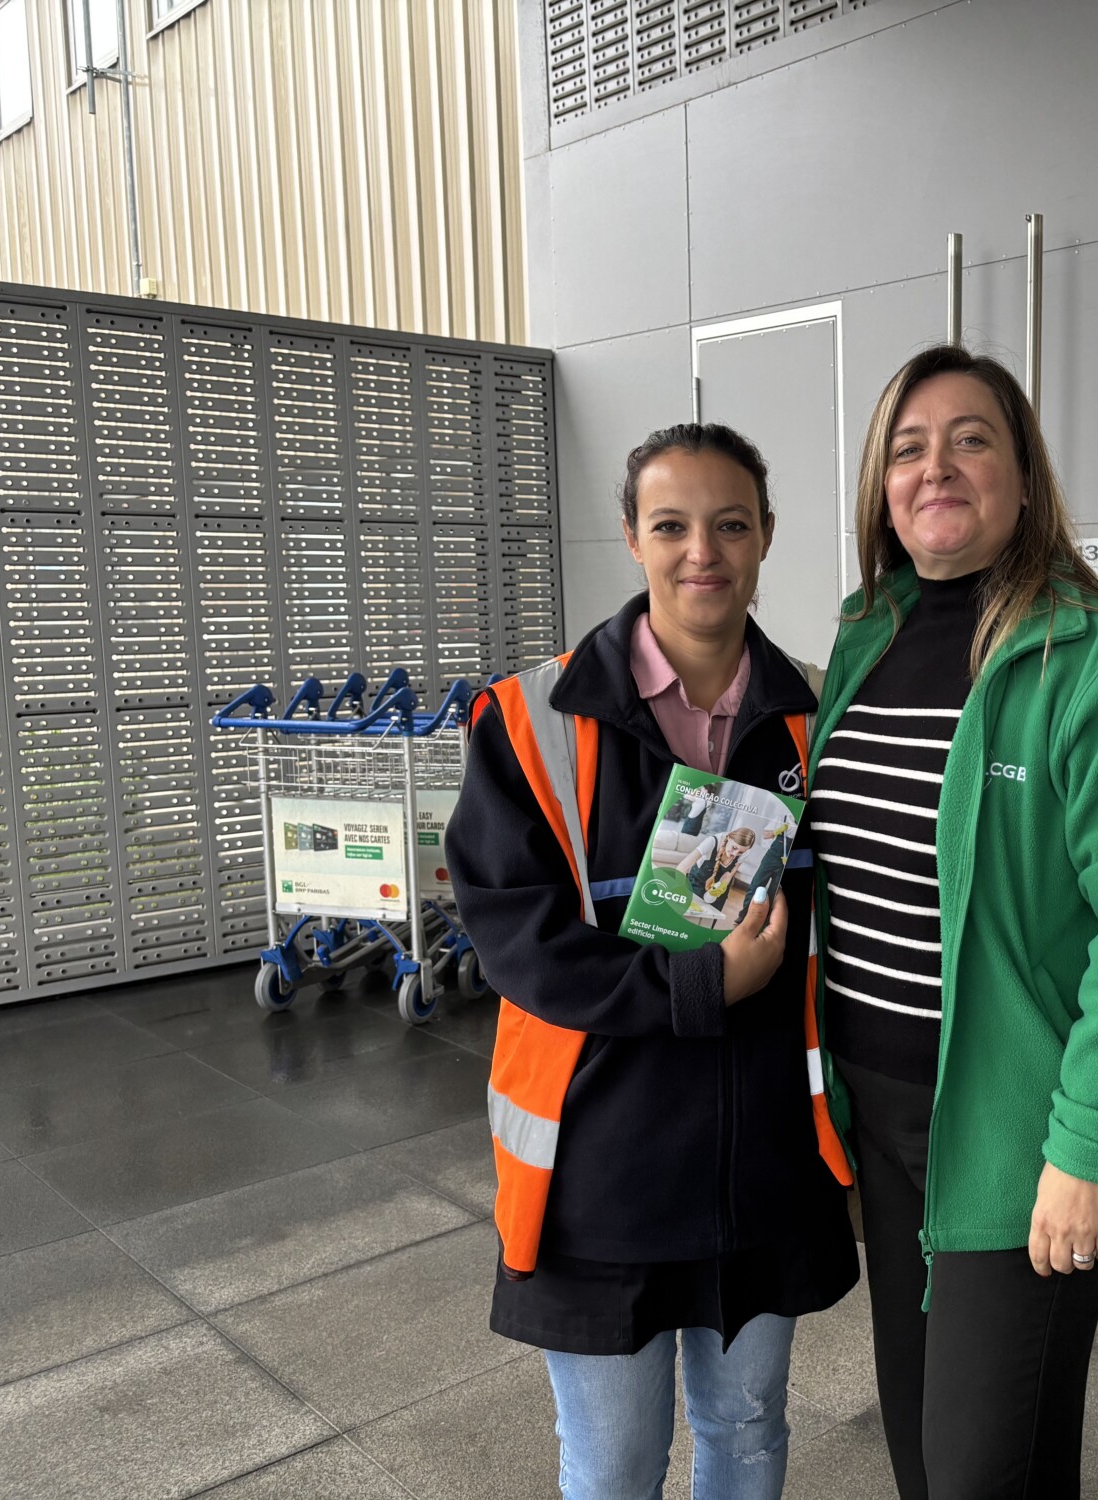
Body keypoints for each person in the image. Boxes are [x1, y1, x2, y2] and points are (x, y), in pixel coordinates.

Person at [805, 346, 1098, 1498]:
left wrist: (1092, 1147)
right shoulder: (865, 638)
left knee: (980, 1471)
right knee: (918, 1444)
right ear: (881, 486)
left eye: (970, 439)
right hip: (880, 1122)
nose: (934, 467)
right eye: (906, 448)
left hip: (1014, 1138)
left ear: (1024, 477)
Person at [446, 422, 857, 1500]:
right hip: (602, 1176)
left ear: (766, 535)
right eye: (670, 526)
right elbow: (519, 942)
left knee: (748, 1431)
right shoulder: (529, 721)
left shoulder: (818, 718)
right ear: (631, 537)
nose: (701, 553)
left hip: (764, 1165)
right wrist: (697, 983)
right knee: (615, 1464)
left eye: (731, 525)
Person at [682, 823, 757, 912]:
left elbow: (729, 874)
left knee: (711, 916)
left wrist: (722, 886)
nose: (735, 854)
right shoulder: (712, 842)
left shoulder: (745, 851)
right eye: (734, 848)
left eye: (740, 852)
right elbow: (683, 867)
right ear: (729, 838)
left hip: (718, 889)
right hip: (697, 882)